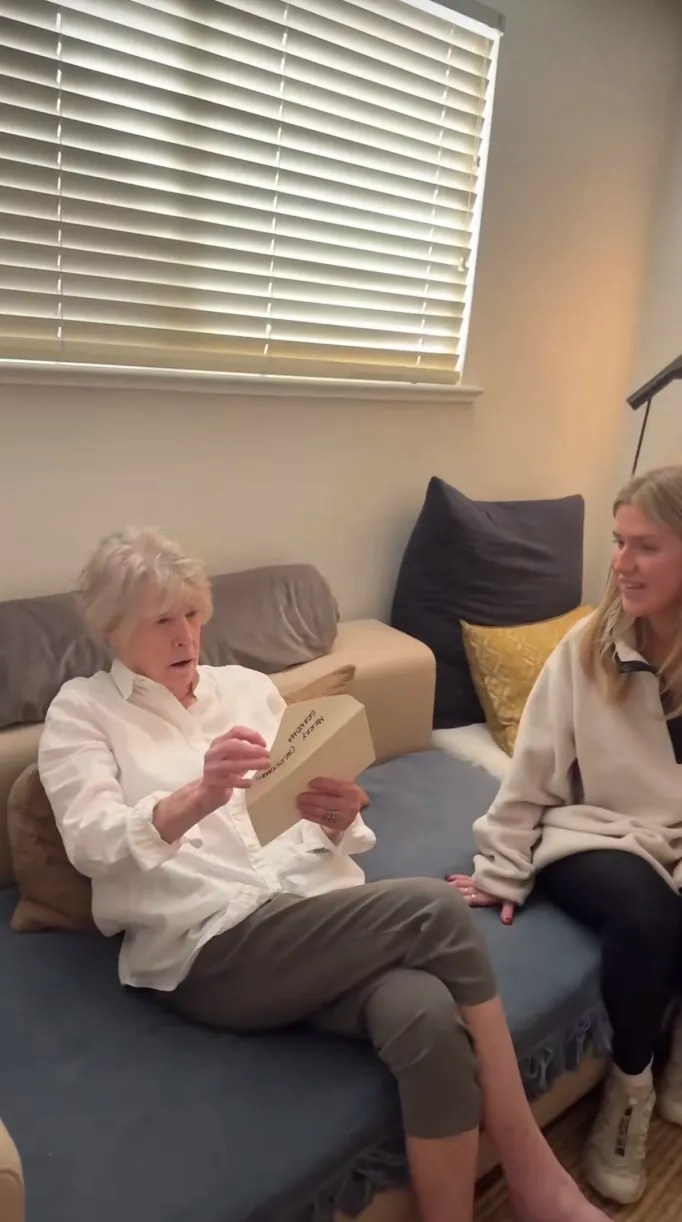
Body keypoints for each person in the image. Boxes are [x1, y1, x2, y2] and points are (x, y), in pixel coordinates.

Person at [38, 527, 608, 1222]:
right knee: (435, 910)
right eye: (162, 621)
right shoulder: (83, 713)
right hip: (213, 948)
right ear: (112, 628)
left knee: (428, 1021)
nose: (185, 635)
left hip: (311, 919)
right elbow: (92, 844)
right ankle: (532, 1171)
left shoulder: (246, 690)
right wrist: (198, 796)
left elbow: (307, 817)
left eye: (191, 614)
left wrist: (338, 814)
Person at [451, 463, 682, 1208]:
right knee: (650, 916)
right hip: (589, 836)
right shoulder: (587, 649)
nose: (620, 563)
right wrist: (501, 868)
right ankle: (631, 1087)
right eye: (618, 541)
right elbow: (532, 770)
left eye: (644, 546)